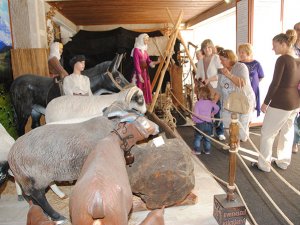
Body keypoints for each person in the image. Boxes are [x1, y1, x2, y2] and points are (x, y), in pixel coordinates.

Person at [253, 30, 300, 172]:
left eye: (275, 45)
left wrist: (265, 102)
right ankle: (283, 162)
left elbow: (275, 83)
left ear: (283, 44)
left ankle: (263, 164)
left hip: (281, 102)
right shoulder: (298, 59)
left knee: (267, 133)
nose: (273, 48)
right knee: (287, 131)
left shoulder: (282, 59)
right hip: (295, 103)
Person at [217, 49, 256, 142]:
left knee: (242, 134)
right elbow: (219, 89)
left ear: (229, 59)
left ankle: (237, 142)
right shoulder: (221, 70)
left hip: (243, 101)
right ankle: (233, 143)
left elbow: (242, 83)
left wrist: (228, 75)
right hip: (228, 103)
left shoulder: (240, 67)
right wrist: (213, 103)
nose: (220, 62)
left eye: (222, 59)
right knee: (227, 125)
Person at [195, 39, 225, 141]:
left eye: (209, 47)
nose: (207, 49)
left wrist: (208, 79)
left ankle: (220, 131)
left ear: (212, 47)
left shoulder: (216, 58)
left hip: (215, 87)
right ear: (202, 49)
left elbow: (221, 74)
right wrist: (200, 81)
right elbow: (198, 75)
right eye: (205, 47)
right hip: (205, 89)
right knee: (206, 111)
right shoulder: (200, 61)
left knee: (217, 109)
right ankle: (209, 130)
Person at [131, 33, 160, 105]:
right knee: (139, 87)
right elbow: (136, 63)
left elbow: (149, 62)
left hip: (145, 73)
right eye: (145, 39)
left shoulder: (145, 51)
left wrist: (157, 62)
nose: (147, 41)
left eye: (147, 40)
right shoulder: (136, 50)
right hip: (138, 73)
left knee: (146, 88)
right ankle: (138, 104)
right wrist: (139, 76)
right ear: (141, 40)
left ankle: (144, 104)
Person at [238, 43, 265, 117]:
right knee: (242, 112)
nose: (240, 54)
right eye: (239, 52)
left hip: (253, 91)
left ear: (248, 52)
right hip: (241, 92)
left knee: (250, 113)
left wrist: (254, 83)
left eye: (242, 52)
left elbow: (261, 76)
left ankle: (247, 126)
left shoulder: (256, 64)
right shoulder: (238, 64)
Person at [192, 86, 219, 155]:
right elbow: (217, 108)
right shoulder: (210, 102)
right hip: (209, 123)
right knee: (207, 138)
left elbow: (196, 114)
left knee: (197, 137)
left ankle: (197, 151)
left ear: (199, 94)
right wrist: (212, 113)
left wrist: (194, 120)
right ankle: (207, 151)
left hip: (200, 124)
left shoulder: (197, 103)